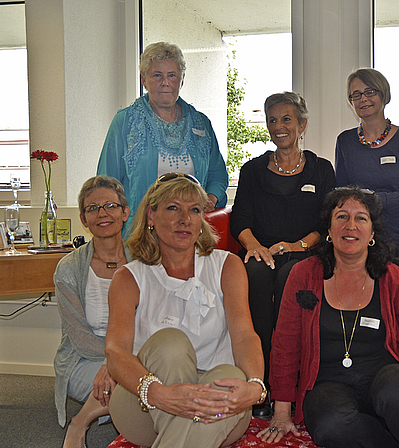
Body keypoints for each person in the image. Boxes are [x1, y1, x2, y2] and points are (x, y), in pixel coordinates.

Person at [259, 187, 399, 448]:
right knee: (330, 426)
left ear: (372, 232)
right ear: (329, 230)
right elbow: (285, 345)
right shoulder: (302, 275)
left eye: (361, 218)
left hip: (386, 376)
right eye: (342, 217)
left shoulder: (395, 278)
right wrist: (281, 411)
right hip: (326, 383)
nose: (351, 226)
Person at [104, 173, 265, 448]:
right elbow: (115, 352)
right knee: (170, 344)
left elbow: (244, 336)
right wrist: (156, 393)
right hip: (146, 404)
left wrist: (254, 385)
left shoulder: (227, 266)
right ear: (151, 216)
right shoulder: (128, 278)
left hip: (221, 406)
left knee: (232, 377)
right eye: (172, 208)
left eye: (194, 210)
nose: (185, 219)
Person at [230, 92, 336, 416]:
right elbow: (240, 220)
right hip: (260, 252)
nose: (279, 126)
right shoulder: (252, 171)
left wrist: (297, 246)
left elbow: (327, 221)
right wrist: (254, 246)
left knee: (293, 277)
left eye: (286, 119)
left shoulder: (321, 170)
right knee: (256, 279)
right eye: (272, 120)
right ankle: (260, 385)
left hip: (304, 252)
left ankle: (288, 386)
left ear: (301, 124)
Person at [97, 41, 228, 235]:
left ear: (181, 80)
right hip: (139, 235)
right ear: (143, 79)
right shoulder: (125, 121)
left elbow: (218, 175)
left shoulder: (201, 123)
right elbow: (106, 184)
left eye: (172, 75)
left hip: (189, 234)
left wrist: (210, 198)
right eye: (157, 75)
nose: (165, 82)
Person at [54, 175, 132, 448]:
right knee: (135, 382)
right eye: (92, 208)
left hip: (132, 353)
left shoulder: (145, 260)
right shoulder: (68, 269)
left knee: (151, 375)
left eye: (110, 205)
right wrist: (116, 360)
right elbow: (80, 337)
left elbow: (150, 322)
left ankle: (83, 419)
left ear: (125, 212)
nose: (102, 213)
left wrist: (117, 361)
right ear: (83, 219)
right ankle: (83, 423)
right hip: (83, 360)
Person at [335, 68, 399, 275]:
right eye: (356, 94)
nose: (363, 99)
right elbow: (342, 193)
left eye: (370, 92)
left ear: (384, 95)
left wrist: (373, 199)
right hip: (366, 236)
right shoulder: (345, 141)